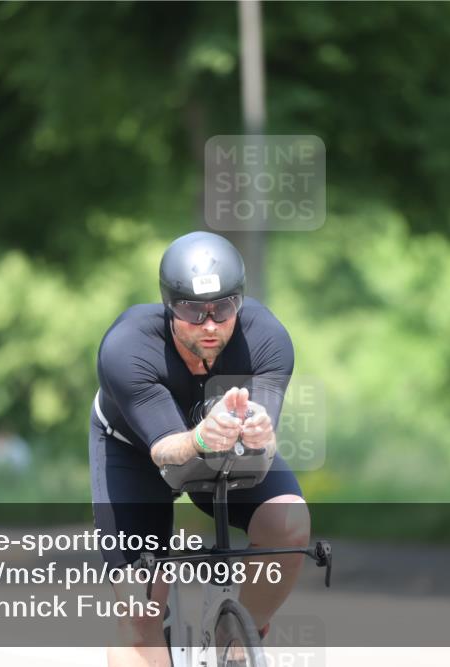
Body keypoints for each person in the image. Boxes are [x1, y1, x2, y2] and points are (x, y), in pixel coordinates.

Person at [90, 231, 309, 666]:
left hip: (225, 447)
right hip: (134, 451)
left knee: (290, 520)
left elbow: (263, 443)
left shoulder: (267, 338)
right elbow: (165, 451)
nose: (209, 325)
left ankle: (240, 632)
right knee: (140, 613)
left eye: (222, 308)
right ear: (169, 305)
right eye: (192, 310)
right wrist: (201, 437)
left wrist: (262, 437)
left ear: (239, 303)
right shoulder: (128, 346)